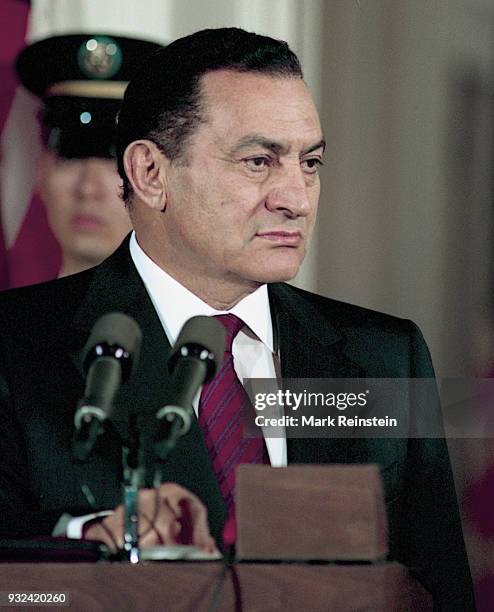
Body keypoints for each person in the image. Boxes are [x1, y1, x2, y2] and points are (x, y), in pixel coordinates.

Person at [0, 28, 474, 608]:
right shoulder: (15, 346)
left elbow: (440, 587)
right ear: (151, 173)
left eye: (311, 162)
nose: (296, 198)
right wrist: (85, 546)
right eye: (258, 161)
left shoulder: (384, 356)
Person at [15, 34, 162, 277]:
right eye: (71, 154)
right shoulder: (14, 314)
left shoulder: (196, 315)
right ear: (42, 170)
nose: (87, 189)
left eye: (116, 162)